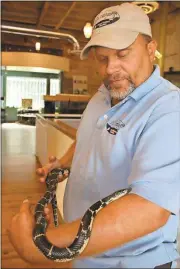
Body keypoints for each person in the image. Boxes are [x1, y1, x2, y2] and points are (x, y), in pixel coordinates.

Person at [8, 3, 180, 268]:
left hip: (133, 262)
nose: (111, 68)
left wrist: (42, 245)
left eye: (123, 54)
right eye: (103, 58)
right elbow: (87, 138)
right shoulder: (105, 93)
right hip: (87, 255)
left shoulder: (168, 109)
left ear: (150, 49)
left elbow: (149, 210)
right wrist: (64, 163)